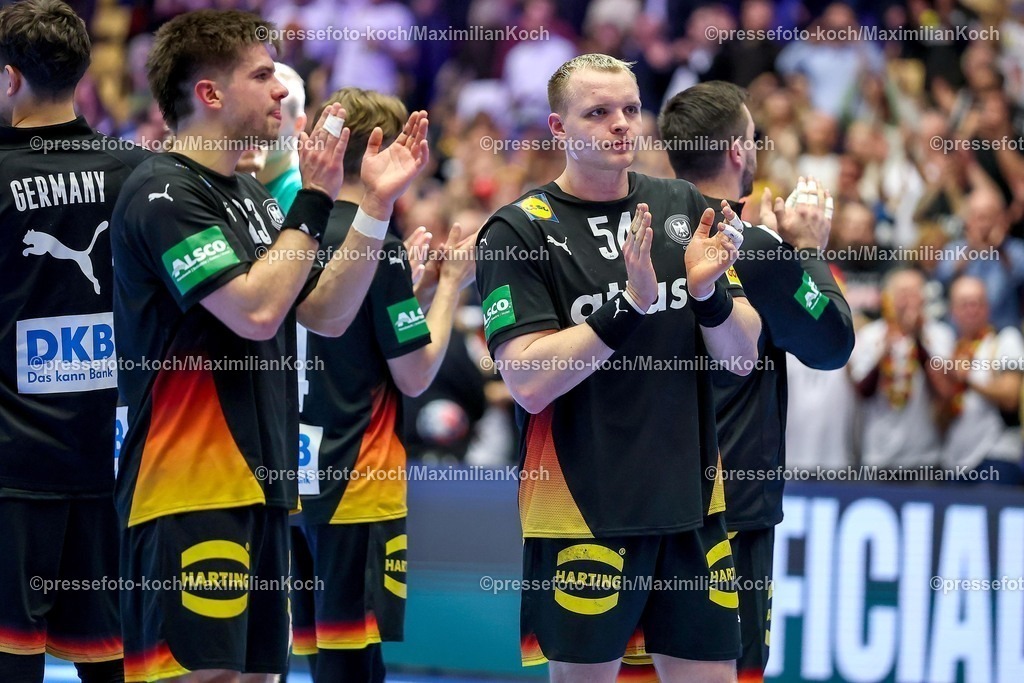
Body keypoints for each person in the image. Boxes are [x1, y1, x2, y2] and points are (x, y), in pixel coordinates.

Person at [110, 10, 430, 682]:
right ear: (211, 94)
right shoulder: (162, 192)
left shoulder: (254, 198)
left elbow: (326, 313)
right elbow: (256, 310)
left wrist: (372, 208)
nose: (282, 91)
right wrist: (315, 197)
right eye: (262, 75)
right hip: (188, 490)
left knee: (258, 675)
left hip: (264, 489)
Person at [475, 53, 762, 683]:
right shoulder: (517, 231)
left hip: (691, 504)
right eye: (599, 112)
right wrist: (629, 306)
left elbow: (741, 358)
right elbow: (525, 381)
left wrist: (711, 295)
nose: (620, 125)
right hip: (581, 504)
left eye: (631, 109)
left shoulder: (682, 204)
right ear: (558, 128)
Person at [654, 80, 855, 683]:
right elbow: (832, 343)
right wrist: (807, 248)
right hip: (733, 506)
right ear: (740, 151)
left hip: (644, 501)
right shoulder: (756, 246)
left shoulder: (636, 234)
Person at [289, 86, 477, 683]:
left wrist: (411, 292)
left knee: (318, 658)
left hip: (293, 477)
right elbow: (416, 375)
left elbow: (340, 336)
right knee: (354, 666)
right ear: (381, 148)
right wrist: (450, 286)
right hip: (359, 479)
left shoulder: (291, 230)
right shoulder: (379, 247)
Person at [0, 1, 149, 681]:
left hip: (13, 471)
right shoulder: (137, 175)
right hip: (113, 465)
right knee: (112, 664)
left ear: (9, 80)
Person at [849, 268, 954, 471]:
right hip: (878, 455)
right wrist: (883, 354)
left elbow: (944, 391)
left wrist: (918, 341)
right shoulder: (871, 335)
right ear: (889, 298)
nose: (909, 301)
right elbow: (863, 392)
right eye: (903, 294)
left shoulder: (940, 334)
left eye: (915, 293)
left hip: (925, 456)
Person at [940, 276, 1024, 483]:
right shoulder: (949, 348)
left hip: (996, 457)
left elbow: (1011, 397)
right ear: (953, 311)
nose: (972, 309)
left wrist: (967, 378)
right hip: (954, 461)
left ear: (988, 308)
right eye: (965, 304)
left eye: (978, 303)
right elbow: (941, 418)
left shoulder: (1005, 340)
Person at [256, 62, 304, 212]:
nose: (258, 127)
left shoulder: (300, 193)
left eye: (274, 116)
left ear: (299, 125)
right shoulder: (236, 177)